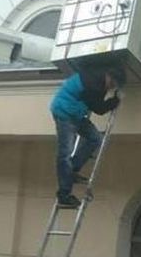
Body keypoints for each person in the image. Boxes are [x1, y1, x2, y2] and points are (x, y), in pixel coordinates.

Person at [50, 65, 125, 207]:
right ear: (108, 76)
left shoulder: (98, 79)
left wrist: (112, 99)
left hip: (75, 114)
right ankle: (64, 195)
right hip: (64, 113)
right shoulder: (94, 85)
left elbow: (96, 104)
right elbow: (99, 109)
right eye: (112, 83)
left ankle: (72, 170)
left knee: (96, 139)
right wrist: (116, 100)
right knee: (65, 153)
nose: (111, 87)